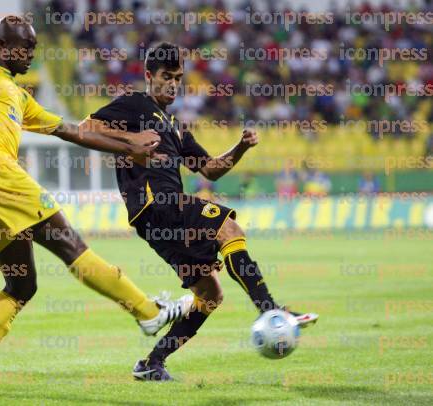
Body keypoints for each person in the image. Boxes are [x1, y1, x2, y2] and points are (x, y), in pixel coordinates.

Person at [0, 18, 192, 395]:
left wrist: (129, 146)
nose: (31, 55)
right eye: (25, 48)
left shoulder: (18, 97)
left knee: (22, 284)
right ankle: (149, 313)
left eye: (34, 48)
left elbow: (72, 130)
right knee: (70, 244)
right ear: (3, 46)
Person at [88, 42, 319, 381]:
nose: (173, 84)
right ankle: (271, 311)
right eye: (166, 76)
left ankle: (152, 364)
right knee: (229, 230)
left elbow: (210, 169)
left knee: (209, 295)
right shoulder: (134, 105)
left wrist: (239, 148)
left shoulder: (176, 127)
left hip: (159, 222)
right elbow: (87, 127)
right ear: (149, 76)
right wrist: (129, 144)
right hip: (157, 203)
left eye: (178, 78)